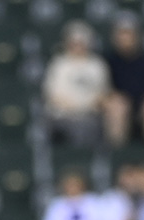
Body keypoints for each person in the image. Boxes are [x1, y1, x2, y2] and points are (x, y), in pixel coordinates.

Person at [102, 13, 144, 160]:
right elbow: (100, 87)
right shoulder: (107, 60)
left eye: (129, 33)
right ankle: (117, 160)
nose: (126, 38)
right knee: (117, 107)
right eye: (122, 33)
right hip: (118, 109)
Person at [43, 20, 110, 149]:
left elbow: (103, 94)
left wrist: (87, 107)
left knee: (89, 125)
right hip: (62, 116)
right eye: (74, 43)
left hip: (91, 115)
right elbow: (53, 96)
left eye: (81, 43)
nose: (77, 46)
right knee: (77, 126)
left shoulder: (98, 65)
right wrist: (78, 108)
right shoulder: (59, 64)